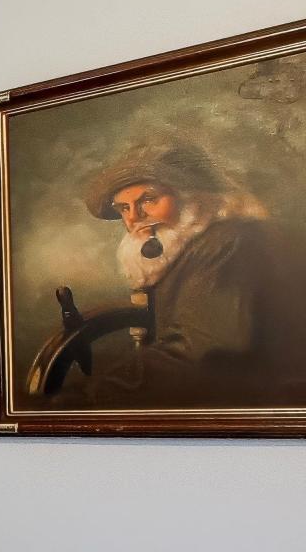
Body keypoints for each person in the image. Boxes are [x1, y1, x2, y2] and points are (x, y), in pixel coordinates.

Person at [66, 138, 306, 407]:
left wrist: (93, 395)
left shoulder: (227, 243)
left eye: (148, 199)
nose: (133, 218)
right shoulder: (176, 245)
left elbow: (203, 350)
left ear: (193, 197)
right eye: (124, 207)